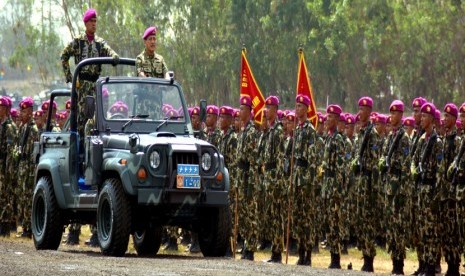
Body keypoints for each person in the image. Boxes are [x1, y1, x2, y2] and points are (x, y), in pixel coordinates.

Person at [61, 8, 119, 141]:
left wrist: (114, 56)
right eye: (91, 21)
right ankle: (81, 148)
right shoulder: (78, 41)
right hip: (82, 84)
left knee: (97, 116)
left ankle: (96, 145)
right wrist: (69, 76)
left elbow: (109, 51)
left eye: (95, 21)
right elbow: (64, 56)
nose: (94, 24)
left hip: (96, 84)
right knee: (82, 117)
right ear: (86, 23)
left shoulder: (99, 42)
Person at [410, 102, 443, 276]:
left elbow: (439, 171)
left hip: (430, 190)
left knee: (431, 230)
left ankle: (431, 265)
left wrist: (436, 196)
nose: (421, 119)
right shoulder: (422, 140)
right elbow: (414, 162)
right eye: (420, 116)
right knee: (421, 229)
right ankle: (422, 264)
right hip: (420, 189)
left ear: (431, 119)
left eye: (424, 116)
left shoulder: (437, 142)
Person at [379, 100, 411, 275]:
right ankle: (393, 263)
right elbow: (384, 159)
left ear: (401, 115)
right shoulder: (390, 137)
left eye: (395, 113)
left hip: (398, 191)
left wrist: (402, 192)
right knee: (391, 227)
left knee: (399, 228)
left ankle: (399, 264)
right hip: (389, 190)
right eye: (390, 113)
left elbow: (405, 169)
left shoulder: (403, 138)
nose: (391, 116)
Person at [351, 96, 381, 272]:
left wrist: (363, 165)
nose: (360, 112)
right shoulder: (361, 133)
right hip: (360, 183)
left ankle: (369, 259)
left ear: (369, 112)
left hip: (369, 184)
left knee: (369, 222)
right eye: (359, 108)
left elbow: (375, 162)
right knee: (361, 221)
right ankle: (364, 255)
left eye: (363, 109)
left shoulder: (373, 134)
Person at [291, 94, 317, 266]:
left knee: (307, 218)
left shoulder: (309, 131)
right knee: (298, 217)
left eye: (301, 106)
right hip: (296, 179)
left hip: (305, 181)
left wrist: (308, 182)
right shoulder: (297, 130)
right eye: (296, 105)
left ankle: (308, 253)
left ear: (307, 109)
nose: (297, 108)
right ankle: (300, 252)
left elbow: (312, 160)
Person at [320, 104, 345, 269]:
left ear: (336, 119)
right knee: (329, 222)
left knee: (335, 223)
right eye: (327, 117)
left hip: (334, 188)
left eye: (330, 117)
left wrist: (337, 190)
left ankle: (336, 258)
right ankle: (332, 256)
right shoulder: (329, 138)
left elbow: (340, 168)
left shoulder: (338, 140)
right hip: (327, 186)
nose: (327, 119)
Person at [438, 103, 461, 276]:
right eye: (444, 116)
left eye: (447, 116)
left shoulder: (457, 140)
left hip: (454, 194)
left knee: (454, 231)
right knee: (446, 230)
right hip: (444, 193)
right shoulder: (445, 138)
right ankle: (449, 264)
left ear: (454, 119)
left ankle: (454, 266)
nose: (444, 119)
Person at [261, 96, 285, 263]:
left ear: (276, 110)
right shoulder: (269, 130)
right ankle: (274, 251)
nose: (266, 110)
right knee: (270, 215)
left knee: (276, 215)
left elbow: (280, 158)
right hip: (268, 177)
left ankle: (277, 252)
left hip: (275, 178)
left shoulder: (278, 131)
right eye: (266, 107)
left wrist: (277, 181)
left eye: (269, 107)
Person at [236, 95, 259, 261]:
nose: (239, 112)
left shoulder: (251, 132)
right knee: (243, 214)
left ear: (249, 111)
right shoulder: (243, 131)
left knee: (250, 214)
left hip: (248, 178)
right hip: (241, 176)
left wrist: (250, 183)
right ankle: (245, 244)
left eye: (242, 109)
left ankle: (250, 247)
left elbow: (253, 161)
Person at [14, 97, 39, 238]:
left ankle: (29, 228)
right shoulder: (22, 128)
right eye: (20, 111)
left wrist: (31, 171)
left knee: (29, 198)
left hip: (29, 170)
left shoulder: (33, 130)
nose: (20, 114)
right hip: (22, 168)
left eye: (23, 111)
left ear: (30, 112)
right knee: (23, 198)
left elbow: (33, 154)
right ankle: (24, 227)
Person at [0, 96, 18, 236]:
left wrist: (8, 170)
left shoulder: (10, 127)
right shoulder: (2, 125)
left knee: (5, 195)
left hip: (5, 168)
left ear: (6, 109)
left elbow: (10, 151)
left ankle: (5, 226)